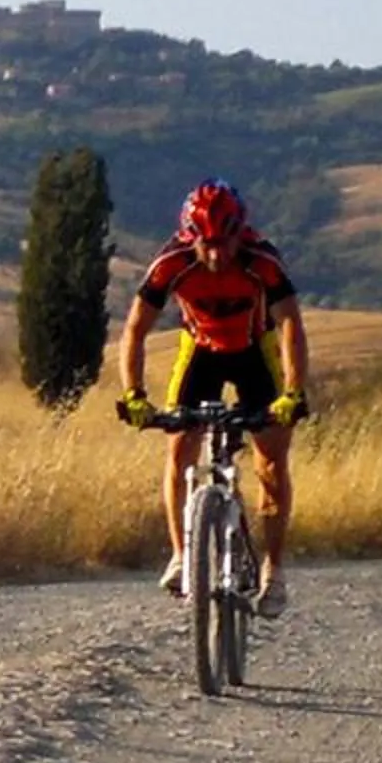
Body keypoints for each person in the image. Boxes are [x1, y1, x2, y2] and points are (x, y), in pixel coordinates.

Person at [116, 179, 309, 617]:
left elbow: (291, 326)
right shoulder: (173, 263)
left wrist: (293, 394)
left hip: (253, 352)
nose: (218, 255)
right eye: (207, 245)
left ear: (241, 233)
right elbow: (135, 330)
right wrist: (134, 395)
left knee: (272, 461)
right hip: (200, 350)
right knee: (180, 449)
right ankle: (184, 556)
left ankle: (273, 573)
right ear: (191, 237)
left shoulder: (262, 261)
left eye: (226, 243)